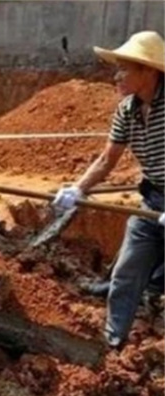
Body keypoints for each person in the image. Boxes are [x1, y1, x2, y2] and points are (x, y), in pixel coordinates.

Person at [52, 31, 165, 348]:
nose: (116, 75)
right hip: (153, 199)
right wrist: (78, 189)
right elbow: (106, 159)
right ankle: (113, 343)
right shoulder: (127, 110)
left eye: (124, 68)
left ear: (149, 71)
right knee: (126, 272)